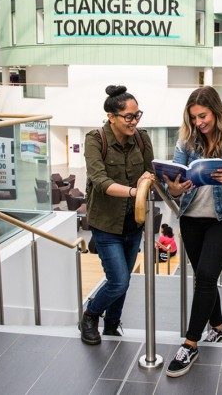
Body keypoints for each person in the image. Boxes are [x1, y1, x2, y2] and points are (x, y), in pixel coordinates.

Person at [162, 86, 222, 377]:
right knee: (205, 276)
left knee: (204, 277)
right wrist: (173, 188)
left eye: (203, 116)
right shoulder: (186, 143)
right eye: (194, 117)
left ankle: (190, 343)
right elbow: (172, 184)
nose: (199, 122)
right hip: (190, 219)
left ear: (216, 111)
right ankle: (218, 328)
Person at [81, 85, 154, 345]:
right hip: (105, 224)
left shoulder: (143, 139)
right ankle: (90, 315)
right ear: (111, 116)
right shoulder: (95, 139)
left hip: (133, 223)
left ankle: (112, 323)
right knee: (119, 281)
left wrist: (155, 180)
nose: (134, 121)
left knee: (123, 280)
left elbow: (150, 173)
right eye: (129, 117)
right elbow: (100, 180)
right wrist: (135, 191)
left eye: (137, 115)